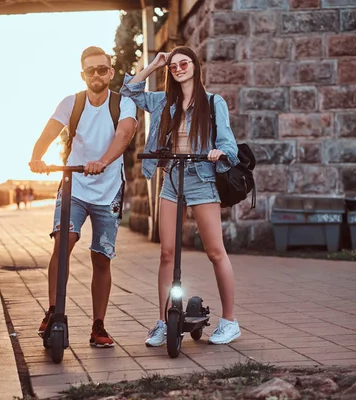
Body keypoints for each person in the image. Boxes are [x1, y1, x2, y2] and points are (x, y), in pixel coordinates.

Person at [120, 46, 241, 346]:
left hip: (201, 178)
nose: (178, 69)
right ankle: (162, 322)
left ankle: (230, 321)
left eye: (183, 63)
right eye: (173, 67)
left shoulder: (214, 103)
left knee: (215, 252)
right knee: (166, 253)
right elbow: (129, 92)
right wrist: (154, 65)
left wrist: (219, 152)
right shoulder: (164, 102)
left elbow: (230, 146)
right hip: (172, 178)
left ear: (195, 66)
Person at [29, 46, 137, 348]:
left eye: (102, 69)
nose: (97, 75)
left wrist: (103, 161)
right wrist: (37, 156)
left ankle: (98, 325)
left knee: (101, 258)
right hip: (74, 186)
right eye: (90, 70)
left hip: (109, 190)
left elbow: (124, 135)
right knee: (64, 242)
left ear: (111, 72)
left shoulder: (123, 104)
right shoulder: (71, 103)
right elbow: (49, 132)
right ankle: (53, 311)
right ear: (83, 75)